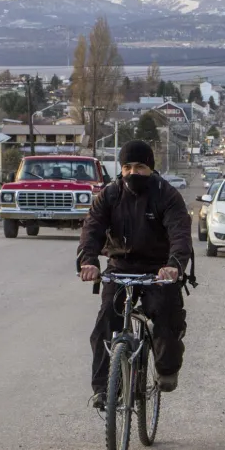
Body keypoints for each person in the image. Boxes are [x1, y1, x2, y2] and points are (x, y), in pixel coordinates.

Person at [77, 140, 194, 409]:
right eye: (127, 167)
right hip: (120, 267)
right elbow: (91, 229)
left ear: (150, 168)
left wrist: (174, 265)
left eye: (139, 167)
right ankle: (104, 389)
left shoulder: (167, 195)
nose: (132, 172)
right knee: (106, 321)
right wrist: (89, 261)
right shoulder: (110, 194)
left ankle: (165, 369)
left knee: (167, 316)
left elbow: (179, 233)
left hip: (159, 270)